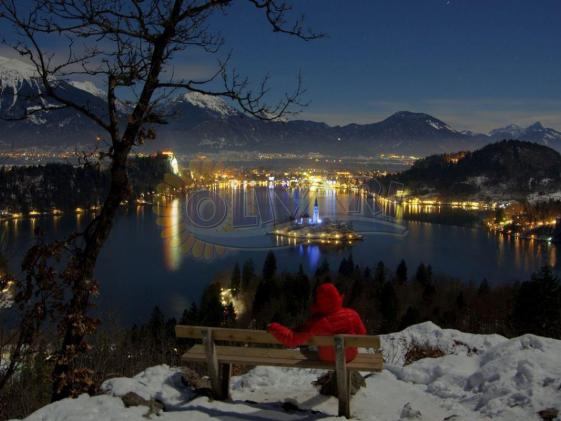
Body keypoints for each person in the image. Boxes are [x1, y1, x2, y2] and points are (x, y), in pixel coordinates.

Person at [267, 283, 366, 362]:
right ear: (337, 297)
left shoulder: (317, 322)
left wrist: (273, 327)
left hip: (327, 358)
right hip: (349, 357)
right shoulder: (352, 314)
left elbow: (292, 339)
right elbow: (362, 334)